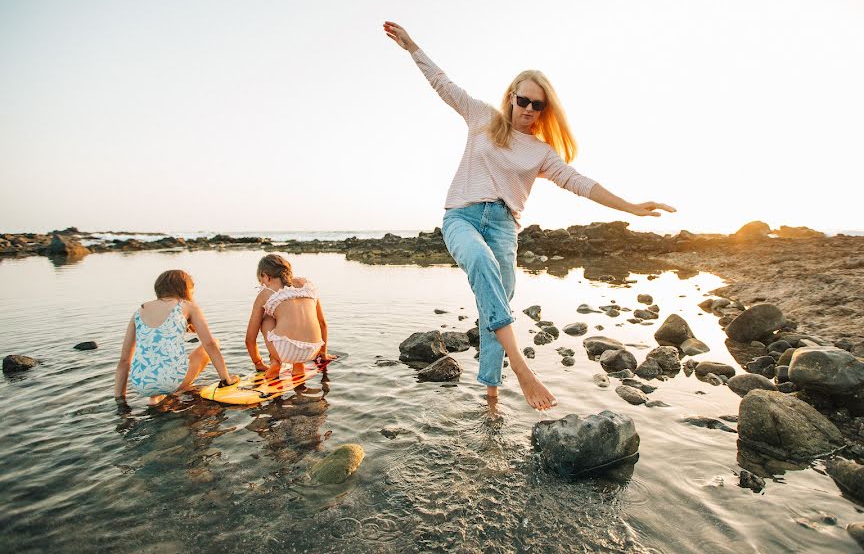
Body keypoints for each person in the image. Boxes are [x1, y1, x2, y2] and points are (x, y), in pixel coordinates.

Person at [383, 21, 676, 411]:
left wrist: (631, 206)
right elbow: (443, 83)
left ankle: (491, 399)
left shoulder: (540, 152)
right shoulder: (482, 118)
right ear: (511, 98)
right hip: (462, 219)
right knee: (482, 266)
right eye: (524, 101)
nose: (530, 110)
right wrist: (411, 46)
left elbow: (580, 182)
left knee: (494, 304)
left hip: (505, 228)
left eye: (539, 105)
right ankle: (522, 371)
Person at [114, 270, 237, 406]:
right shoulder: (186, 306)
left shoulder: (139, 311)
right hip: (173, 381)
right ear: (185, 289)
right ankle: (169, 391)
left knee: (158, 359)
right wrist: (226, 380)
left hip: (141, 384)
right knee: (214, 343)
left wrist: (120, 400)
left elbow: (124, 361)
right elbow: (209, 344)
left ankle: (154, 398)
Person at [245, 254, 332, 380]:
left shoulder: (266, 293)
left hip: (284, 352)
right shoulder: (308, 285)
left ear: (266, 276)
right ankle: (298, 366)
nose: (263, 285)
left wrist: (258, 363)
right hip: (313, 349)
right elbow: (322, 323)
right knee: (293, 319)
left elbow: (250, 339)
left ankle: (275, 362)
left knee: (267, 317)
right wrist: (323, 353)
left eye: (262, 281)